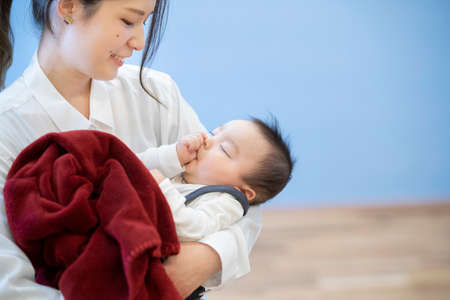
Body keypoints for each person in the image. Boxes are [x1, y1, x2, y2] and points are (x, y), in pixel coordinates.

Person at [0, 1, 262, 299]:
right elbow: (11, 286)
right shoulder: (6, 129)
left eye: (145, 22)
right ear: (69, 6)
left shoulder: (156, 93)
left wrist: (203, 259)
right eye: (127, 21)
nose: (140, 41)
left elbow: (240, 194)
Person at [151, 118, 294, 243]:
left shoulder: (226, 203)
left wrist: (163, 189)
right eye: (213, 133)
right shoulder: (180, 171)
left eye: (225, 149)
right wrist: (173, 155)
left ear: (243, 192)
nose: (207, 140)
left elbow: (192, 229)